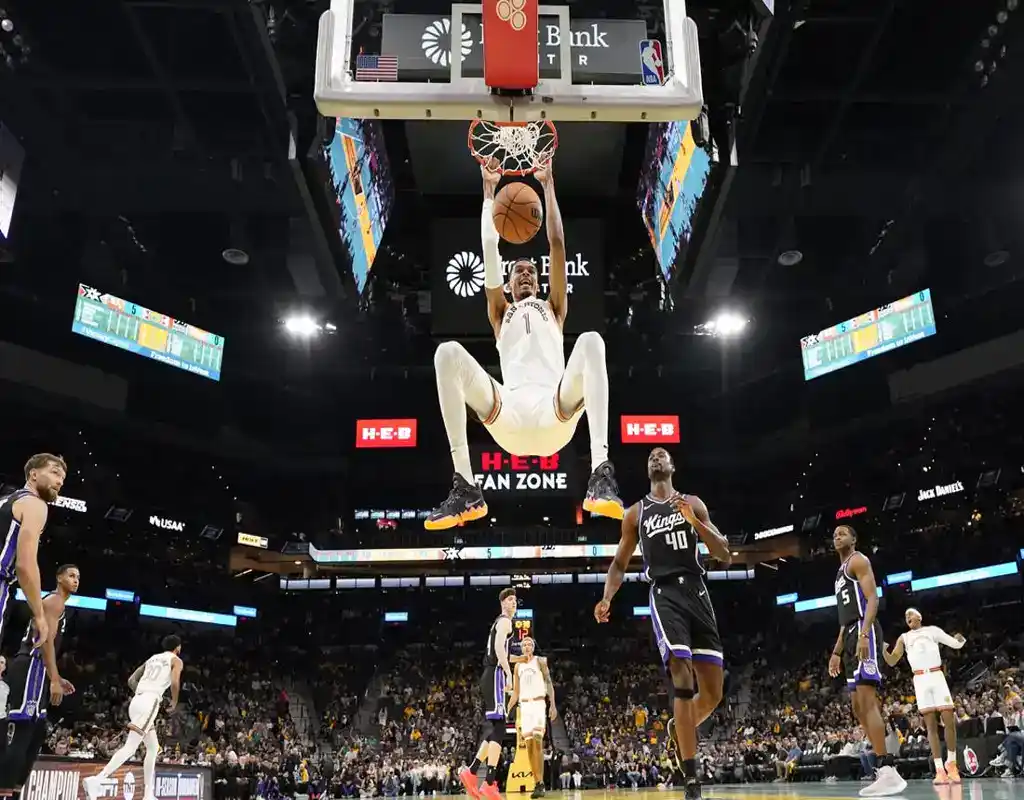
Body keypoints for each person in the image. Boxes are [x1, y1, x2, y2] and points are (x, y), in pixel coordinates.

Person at [427, 160, 622, 530]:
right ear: (510, 282)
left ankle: (600, 472)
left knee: (592, 340)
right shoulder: (500, 312)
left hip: (554, 409)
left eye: (532, 270)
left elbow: (557, 242)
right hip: (511, 413)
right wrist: (488, 191)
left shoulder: (555, 308)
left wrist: (548, 184)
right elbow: (489, 244)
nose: (527, 273)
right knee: (446, 354)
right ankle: (465, 487)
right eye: (519, 271)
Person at [594, 447, 731, 800]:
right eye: (651, 456)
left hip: (697, 593)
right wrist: (607, 597)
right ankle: (691, 780)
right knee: (682, 677)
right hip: (665, 593)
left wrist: (695, 523)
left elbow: (724, 553)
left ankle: (679, 727)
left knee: (713, 694)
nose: (656, 457)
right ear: (647, 469)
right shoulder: (635, 513)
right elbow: (619, 564)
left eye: (662, 454)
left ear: (672, 466)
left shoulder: (693, 503)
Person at [828, 525, 907, 797]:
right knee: (858, 707)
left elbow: (872, 598)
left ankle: (888, 768)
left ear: (854, 538)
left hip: (865, 630)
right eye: (834, 534)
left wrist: (864, 634)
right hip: (849, 633)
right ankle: (882, 770)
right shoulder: (839, 573)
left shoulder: (858, 560)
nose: (837, 536)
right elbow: (843, 618)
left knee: (868, 700)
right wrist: (837, 651)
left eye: (842, 533)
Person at [0, 564, 78, 796]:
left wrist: (56, 675)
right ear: (59, 578)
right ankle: (4, 791)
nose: (76, 580)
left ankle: (13, 791)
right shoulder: (55, 601)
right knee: (22, 731)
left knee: (36, 735)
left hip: (38, 668)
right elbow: (45, 642)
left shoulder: (58, 604)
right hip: (31, 665)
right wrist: (53, 678)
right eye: (71, 575)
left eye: (78, 577)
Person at [83, 635, 183, 800]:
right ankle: (98, 780)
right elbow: (174, 683)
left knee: (152, 747)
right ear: (178, 648)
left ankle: (148, 794)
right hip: (149, 702)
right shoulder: (176, 660)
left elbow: (131, 680)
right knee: (130, 747)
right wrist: (174, 701)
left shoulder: (152, 658)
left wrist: (143, 691)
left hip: (136, 701)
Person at [882, 607, 965, 784]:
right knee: (930, 727)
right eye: (905, 617)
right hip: (920, 679)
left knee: (948, 720)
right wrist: (883, 650)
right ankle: (939, 770)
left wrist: (960, 638)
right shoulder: (904, 638)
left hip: (936, 675)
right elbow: (892, 660)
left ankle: (952, 764)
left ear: (919, 616)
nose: (907, 617)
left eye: (910, 614)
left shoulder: (932, 631)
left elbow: (956, 644)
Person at [0, 454, 68, 650]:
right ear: (33, 474)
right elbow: (25, 564)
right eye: (55, 473)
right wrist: (39, 615)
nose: (59, 481)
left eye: (63, 478)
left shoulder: (6, 500)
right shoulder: (35, 504)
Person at [459, 588, 517, 800]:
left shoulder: (498, 622)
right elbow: (499, 648)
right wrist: (509, 674)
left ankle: (472, 772)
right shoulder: (505, 622)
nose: (514, 603)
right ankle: (489, 783)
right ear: (502, 603)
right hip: (495, 674)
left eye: (515, 600)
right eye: (510, 600)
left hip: (490, 674)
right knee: (500, 726)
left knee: (496, 727)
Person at [507, 637, 557, 798]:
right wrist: (508, 709)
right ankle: (537, 783)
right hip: (524, 706)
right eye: (524, 644)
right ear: (521, 648)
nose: (527, 646)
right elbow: (515, 692)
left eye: (530, 644)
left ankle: (541, 782)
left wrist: (553, 705)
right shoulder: (517, 667)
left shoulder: (541, 661)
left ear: (534, 647)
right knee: (528, 747)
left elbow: (549, 683)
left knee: (537, 742)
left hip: (538, 704)